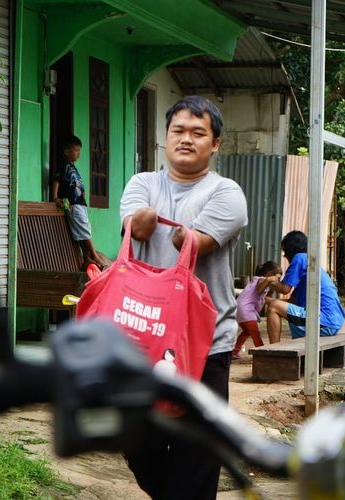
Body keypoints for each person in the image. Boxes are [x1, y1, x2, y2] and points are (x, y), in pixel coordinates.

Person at [119, 95, 248, 499]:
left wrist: (170, 228)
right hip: (144, 338)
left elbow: (193, 244)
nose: (186, 139)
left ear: (216, 144)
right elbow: (134, 229)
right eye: (178, 130)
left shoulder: (227, 194)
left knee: (197, 449)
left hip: (204, 342)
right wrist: (140, 222)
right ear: (164, 138)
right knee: (138, 441)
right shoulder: (141, 183)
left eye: (198, 132)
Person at [264, 230, 345, 343]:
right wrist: (264, 299)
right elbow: (293, 302)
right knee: (275, 305)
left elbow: (284, 289)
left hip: (324, 320)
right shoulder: (309, 263)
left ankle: (274, 351)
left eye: (285, 253)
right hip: (333, 323)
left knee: (273, 307)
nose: (285, 257)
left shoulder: (299, 258)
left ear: (289, 251)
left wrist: (268, 281)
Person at [52, 135, 107, 268]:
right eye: (76, 150)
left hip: (80, 204)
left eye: (79, 151)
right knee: (84, 231)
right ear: (66, 151)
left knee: (83, 230)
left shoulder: (72, 167)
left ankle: (87, 257)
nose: (78, 154)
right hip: (73, 204)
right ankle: (94, 256)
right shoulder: (63, 165)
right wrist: (55, 198)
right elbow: (56, 181)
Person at [231, 260, 283, 360]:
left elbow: (265, 295)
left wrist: (271, 288)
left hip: (240, 309)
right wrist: (268, 280)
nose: (278, 280)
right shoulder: (261, 279)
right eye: (277, 277)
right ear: (270, 274)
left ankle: (234, 352)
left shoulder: (263, 282)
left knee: (247, 332)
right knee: (256, 334)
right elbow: (259, 290)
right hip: (246, 311)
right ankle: (262, 354)